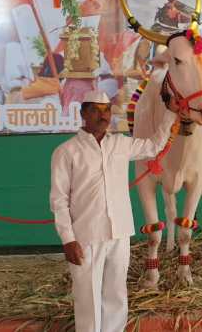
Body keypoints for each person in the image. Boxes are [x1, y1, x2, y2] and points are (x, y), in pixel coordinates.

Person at [49, 89, 178, 332]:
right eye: (95, 110)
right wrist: (68, 239)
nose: (103, 115)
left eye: (106, 109)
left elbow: (154, 146)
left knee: (116, 296)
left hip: (120, 233)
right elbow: (58, 200)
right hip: (86, 237)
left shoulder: (120, 144)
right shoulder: (66, 152)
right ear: (83, 113)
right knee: (88, 299)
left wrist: (170, 113)